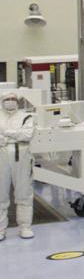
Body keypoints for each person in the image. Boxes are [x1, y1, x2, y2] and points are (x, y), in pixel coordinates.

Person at [0, 92, 35, 240]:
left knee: (23, 192)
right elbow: (20, 134)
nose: (10, 101)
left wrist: (6, 133)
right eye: (7, 99)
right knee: (1, 194)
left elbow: (27, 135)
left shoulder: (26, 116)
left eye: (13, 99)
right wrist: (15, 134)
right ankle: (1, 228)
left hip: (22, 156)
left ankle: (25, 227)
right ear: (2, 101)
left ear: (17, 101)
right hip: (2, 156)